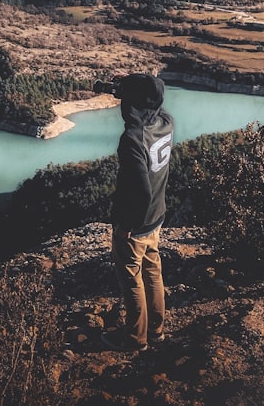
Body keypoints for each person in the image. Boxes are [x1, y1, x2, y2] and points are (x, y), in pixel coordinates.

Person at [101, 73, 174, 353]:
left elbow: (140, 191)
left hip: (136, 223)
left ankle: (135, 339)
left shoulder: (131, 139)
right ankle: (155, 331)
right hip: (158, 214)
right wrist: (127, 85)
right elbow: (153, 103)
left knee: (132, 281)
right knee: (152, 271)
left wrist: (126, 226)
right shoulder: (165, 122)